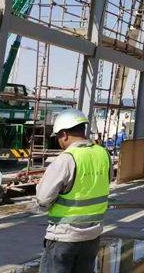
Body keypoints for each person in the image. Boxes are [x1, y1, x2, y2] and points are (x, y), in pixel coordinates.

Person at [34, 108, 111, 273]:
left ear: (64, 135)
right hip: (92, 236)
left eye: (58, 138)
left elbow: (43, 200)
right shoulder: (103, 154)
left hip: (64, 236)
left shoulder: (66, 158)